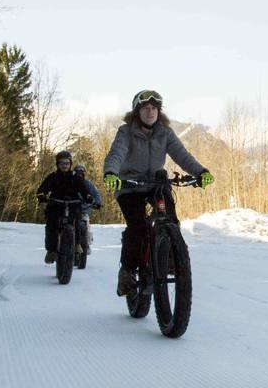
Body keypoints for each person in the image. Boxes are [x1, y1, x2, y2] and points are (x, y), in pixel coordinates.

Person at [102, 90, 214, 296]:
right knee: (137, 226)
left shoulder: (165, 133)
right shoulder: (126, 132)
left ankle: (171, 258)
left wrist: (201, 172)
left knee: (171, 219)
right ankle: (127, 271)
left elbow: (182, 156)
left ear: (159, 112)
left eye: (154, 108)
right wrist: (111, 173)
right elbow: (116, 153)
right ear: (137, 112)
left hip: (155, 184)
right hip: (129, 185)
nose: (150, 112)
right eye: (145, 108)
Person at [35, 150, 96, 264]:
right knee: (51, 224)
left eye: (67, 163)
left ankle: (77, 244)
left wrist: (89, 197)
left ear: (70, 164)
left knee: (78, 221)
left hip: (73, 204)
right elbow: (43, 189)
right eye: (62, 163)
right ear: (57, 164)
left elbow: (84, 190)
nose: (64, 165)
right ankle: (51, 250)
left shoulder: (76, 177)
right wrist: (41, 195)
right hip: (56, 204)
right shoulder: (52, 176)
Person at [74, 164, 103, 256]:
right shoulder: (70, 182)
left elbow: (96, 194)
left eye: (81, 172)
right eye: (78, 172)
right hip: (71, 209)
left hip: (84, 210)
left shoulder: (88, 184)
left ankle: (86, 244)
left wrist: (97, 203)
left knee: (86, 226)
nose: (79, 174)